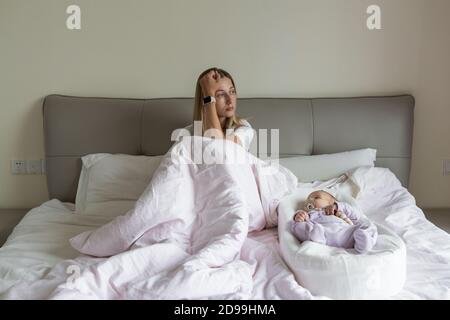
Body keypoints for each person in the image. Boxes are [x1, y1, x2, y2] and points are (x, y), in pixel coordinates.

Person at [182, 67, 254, 151]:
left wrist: (208, 97)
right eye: (221, 94)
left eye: (232, 91)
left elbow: (222, 155)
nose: (229, 100)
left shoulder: (243, 129)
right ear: (203, 99)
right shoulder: (188, 133)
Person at [291, 190, 378, 253]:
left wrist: (337, 206)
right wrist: (299, 216)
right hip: (322, 233)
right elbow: (300, 220)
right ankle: (315, 238)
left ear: (331, 202)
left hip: (347, 235)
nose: (310, 200)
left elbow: (356, 216)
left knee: (367, 224)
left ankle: (363, 243)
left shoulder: (339, 209)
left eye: (316, 197)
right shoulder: (310, 214)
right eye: (308, 200)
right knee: (297, 225)